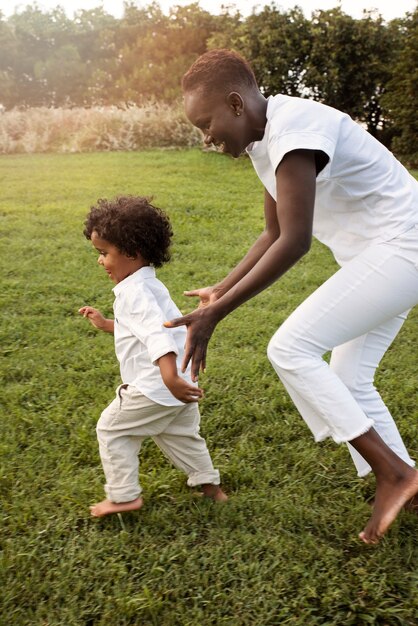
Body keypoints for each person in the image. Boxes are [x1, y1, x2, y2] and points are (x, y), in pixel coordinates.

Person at [164, 49, 418, 544]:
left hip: (404, 250)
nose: (205, 137)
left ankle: (396, 474)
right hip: (381, 260)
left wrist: (216, 313)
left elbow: (295, 242)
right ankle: (408, 479)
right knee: (349, 376)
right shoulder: (266, 140)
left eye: (206, 122)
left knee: (290, 348)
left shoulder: (296, 130)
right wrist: (223, 287)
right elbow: (272, 231)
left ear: (236, 103)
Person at [79, 195, 227, 517]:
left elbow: (158, 337)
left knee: (111, 429)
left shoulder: (133, 293)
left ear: (131, 252)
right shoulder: (149, 286)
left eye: (104, 253)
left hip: (158, 385)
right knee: (182, 436)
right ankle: (210, 486)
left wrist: (169, 378)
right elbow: (145, 329)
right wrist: (106, 324)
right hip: (179, 385)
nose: (100, 261)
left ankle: (123, 496)